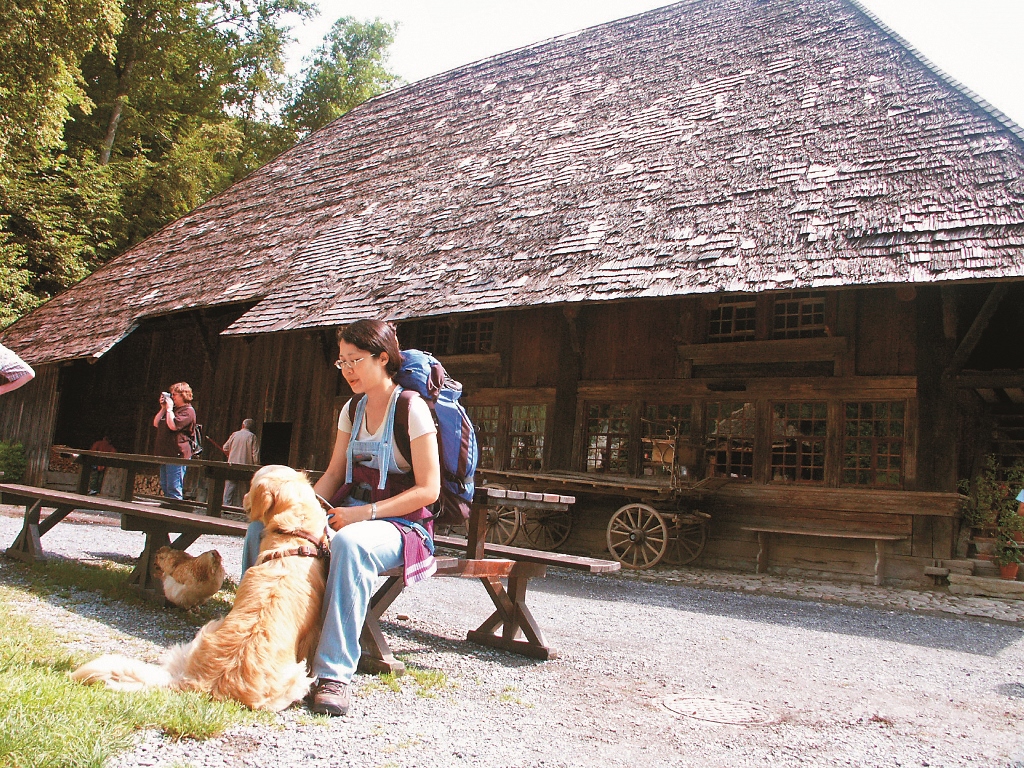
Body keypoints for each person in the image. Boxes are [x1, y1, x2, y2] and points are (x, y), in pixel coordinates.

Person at [240, 319, 440, 717]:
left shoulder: (412, 409)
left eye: (355, 360)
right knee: (260, 529)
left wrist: (364, 514)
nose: (347, 369)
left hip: (402, 526)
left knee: (350, 544)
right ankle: (252, 634)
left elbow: (428, 490)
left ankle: (333, 673)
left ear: (383, 358)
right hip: (348, 513)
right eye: (342, 362)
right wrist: (298, 512)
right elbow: (333, 475)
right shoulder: (351, 409)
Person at [152, 382, 197, 500]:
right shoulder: (171, 411)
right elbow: (156, 423)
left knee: (173, 487)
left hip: (177, 454)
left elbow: (173, 426)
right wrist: (163, 409)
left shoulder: (188, 411)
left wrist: (169, 410)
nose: (172, 397)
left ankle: (175, 514)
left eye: (174, 395)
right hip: (166, 453)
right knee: (165, 486)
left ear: (183, 395)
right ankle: (167, 513)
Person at [220, 419, 260, 506]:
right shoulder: (252, 437)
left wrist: (230, 454)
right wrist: (256, 466)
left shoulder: (235, 434)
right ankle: (244, 507)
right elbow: (255, 454)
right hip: (246, 466)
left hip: (232, 464)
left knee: (229, 486)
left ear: (242, 425)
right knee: (245, 488)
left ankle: (226, 506)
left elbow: (225, 448)